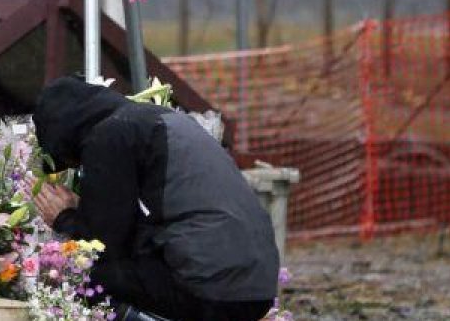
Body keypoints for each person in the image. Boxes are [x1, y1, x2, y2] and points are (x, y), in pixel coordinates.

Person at [32, 76, 279, 321]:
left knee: (80, 274)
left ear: (64, 135)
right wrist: (86, 208)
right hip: (255, 289)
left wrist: (63, 217)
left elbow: (104, 247)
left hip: (208, 290)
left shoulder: (109, 135)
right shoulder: (159, 119)